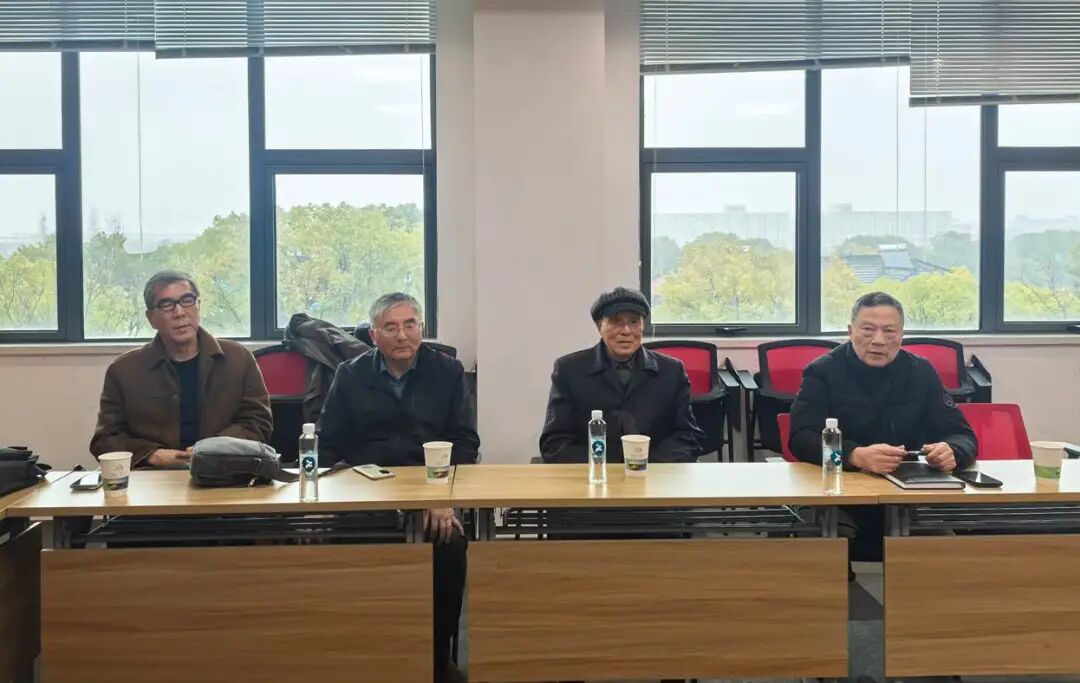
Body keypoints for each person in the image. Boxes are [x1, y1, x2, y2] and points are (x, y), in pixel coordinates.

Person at [318, 292, 476, 683]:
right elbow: (327, 446)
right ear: (374, 335)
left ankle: (438, 656)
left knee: (448, 544)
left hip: (431, 491)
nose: (402, 335)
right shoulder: (351, 375)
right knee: (346, 547)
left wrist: (440, 498)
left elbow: (465, 443)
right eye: (390, 327)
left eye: (410, 325)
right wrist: (357, 486)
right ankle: (366, 654)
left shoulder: (447, 371)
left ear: (422, 328)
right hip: (367, 493)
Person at [789, 291, 977, 564]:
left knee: (948, 556)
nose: (878, 340)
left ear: (901, 335)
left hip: (907, 496)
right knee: (821, 552)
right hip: (841, 496)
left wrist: (952, 451)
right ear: (851, 331)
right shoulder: (823, 372)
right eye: (868, 330)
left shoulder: (920, 371)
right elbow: (801, 438)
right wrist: (853, 455)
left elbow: (963, 434)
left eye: (889, 331)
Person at [90, 270, 273, 466]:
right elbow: (105, 440)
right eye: (166, 305)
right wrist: (152, 455)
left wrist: (213, 449)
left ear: (198, 306)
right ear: (151, 318)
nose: (179, 313)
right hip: (153, 475)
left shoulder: (238, 359)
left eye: (187, 300)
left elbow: (258, 424)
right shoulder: (123, 370)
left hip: (223, 470)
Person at [540, 286, 704, 463]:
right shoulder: (569, 370)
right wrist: (607, 466)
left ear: (643, 325)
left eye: (634, 321)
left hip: (655, 472)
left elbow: (688, 436)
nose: (626, 330)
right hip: (594, 473)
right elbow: (554, 443)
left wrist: (643, 464)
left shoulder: (671, 371)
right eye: (616, 321)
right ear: (599, 326)